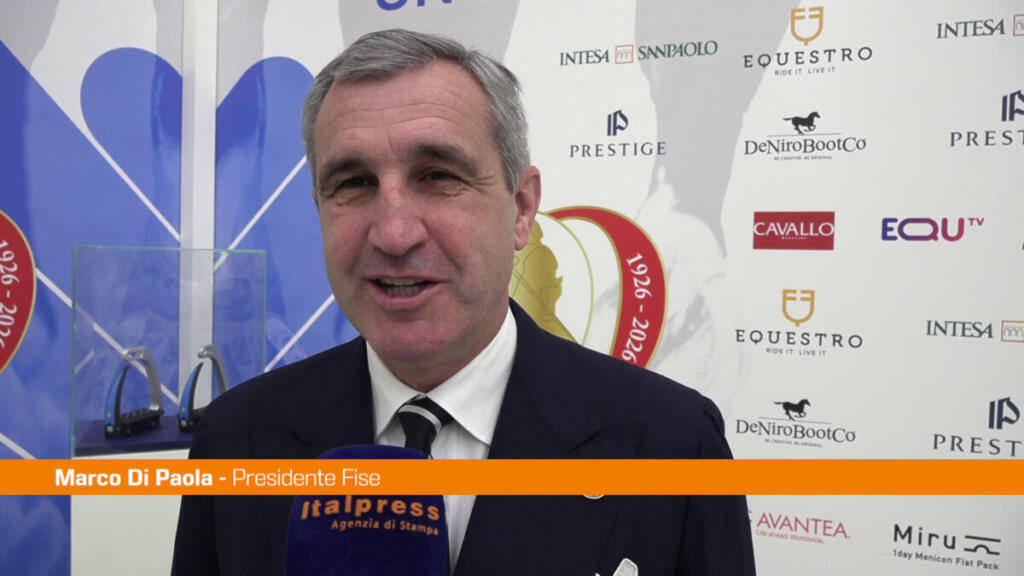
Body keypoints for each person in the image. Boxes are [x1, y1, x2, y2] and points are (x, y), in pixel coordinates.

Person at [171, 28, 755, 576]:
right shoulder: (235, 441)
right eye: (353, 183)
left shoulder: (672, 445)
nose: (394, 233)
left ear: (521, 209)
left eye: (438, 176)